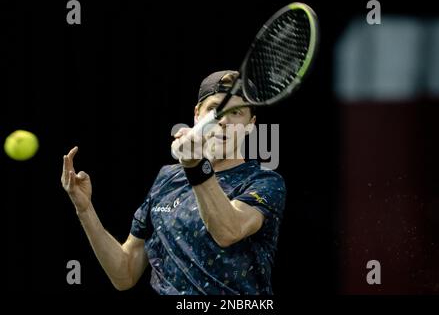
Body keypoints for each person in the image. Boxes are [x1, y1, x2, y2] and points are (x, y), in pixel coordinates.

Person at [61, 70, 286, 295]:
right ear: (198, 114)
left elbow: (228, 230)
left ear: (250, 125)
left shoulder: (264, 182)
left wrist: (195, 166)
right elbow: (125, 273)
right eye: (215, 109)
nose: (224, 121)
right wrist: (85, 209)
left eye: (236, 112)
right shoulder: (167, 178)